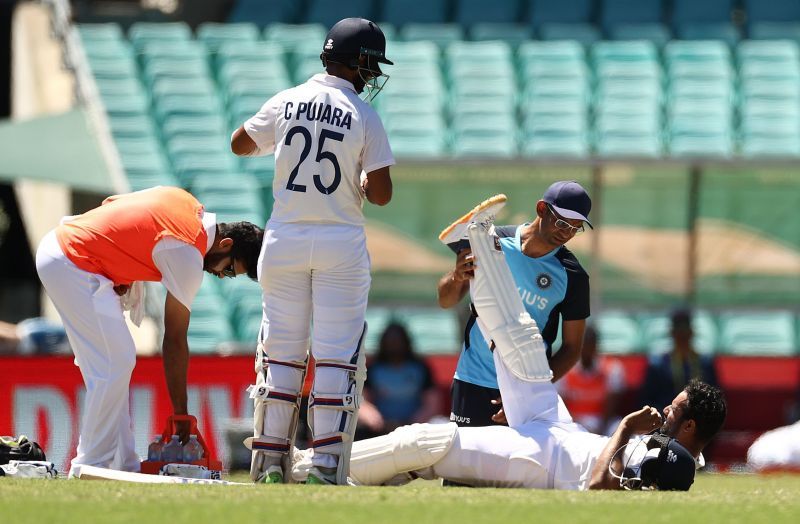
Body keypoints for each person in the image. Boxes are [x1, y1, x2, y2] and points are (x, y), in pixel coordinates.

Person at [291, 219, 727, 491]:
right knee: (523, 341)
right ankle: (480, 243)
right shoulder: (667, 450)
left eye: (674, 410)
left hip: (545, 459)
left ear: (689, 426)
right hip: (557, 427)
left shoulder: (671, 465)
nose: (664, 412)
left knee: (425, 441)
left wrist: (629, 427)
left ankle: (311, 467)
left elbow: (598, 486)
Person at [229, 17, 395, 485]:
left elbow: (240, 144)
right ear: (358, 61)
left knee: (281, 354)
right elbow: (381, 194)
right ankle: (323, 466)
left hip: (284, 238)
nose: (372, 75)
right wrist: (358, 177)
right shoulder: (364, 115)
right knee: (336, 356)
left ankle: (268, 464)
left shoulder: (287, 99)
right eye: (370, 65)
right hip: (339, 241)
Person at [34, 186, 264, 478]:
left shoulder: (188, 204)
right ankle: (90, 465)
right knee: (115, 363)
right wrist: (181, 412)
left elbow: (113, 205)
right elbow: (175, 338)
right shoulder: (187, 254)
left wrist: (119, 267)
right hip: (73, 260)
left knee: (110, 368)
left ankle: (123, 464)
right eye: (230, 269)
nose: (221, 275)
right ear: (226, 244)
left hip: (66, 251)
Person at [437, 181, 592, 429]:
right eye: (562, 223)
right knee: (463, 467)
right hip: (472, 378)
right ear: (542, 209)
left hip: (523, 388)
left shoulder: (573, 275)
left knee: (516, 467)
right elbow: (446, 300)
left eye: (576, 228)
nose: (566, 233)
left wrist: (527, 394)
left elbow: (572, 349)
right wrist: (456, 277)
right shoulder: (492, 241)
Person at [358, 322, 442, 438]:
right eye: (390, 341)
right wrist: (372, 416)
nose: (394, 344)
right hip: (380, 429)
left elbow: (432, 402)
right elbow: (362, 401)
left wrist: (416, 422)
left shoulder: (420, 367)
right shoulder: (373, 369)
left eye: (397, 340)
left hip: (415, 429)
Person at [641, 308, 719, 412]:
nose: (682, 338)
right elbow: (647, 401)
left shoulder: (705, 363)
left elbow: (716, 398)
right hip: (667, 419)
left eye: (685, 333)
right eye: (679, 334)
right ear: (672, 334)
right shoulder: (658, 365)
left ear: (691, 333)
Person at [557, 325, 625, 435]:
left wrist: (599, 429)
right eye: (584, 345)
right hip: (575, 423)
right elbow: (562, 405)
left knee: (619, 427)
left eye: (590, 344)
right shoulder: (565, 370)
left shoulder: (612, 368)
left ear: (596, 345)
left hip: (603, 423)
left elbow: (612, 404)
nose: (587, 349)